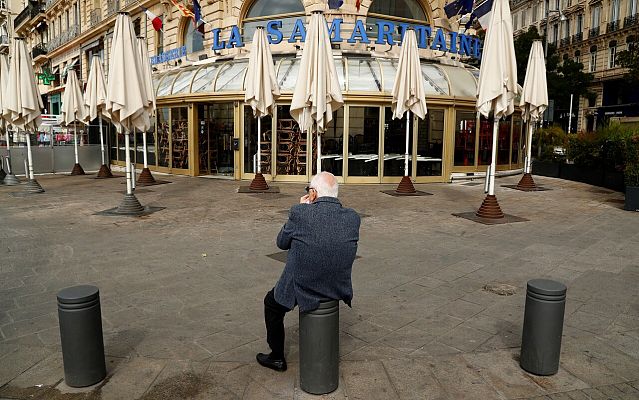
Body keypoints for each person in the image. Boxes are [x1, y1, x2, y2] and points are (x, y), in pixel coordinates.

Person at [256, 172, 361, 372]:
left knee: (271, 304)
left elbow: (281, 242)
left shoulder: (300, 213)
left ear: (312, 194)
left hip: (303, 285)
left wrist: (302, 209)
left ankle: (276, 356)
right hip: (336, 284)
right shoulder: (352, 218)